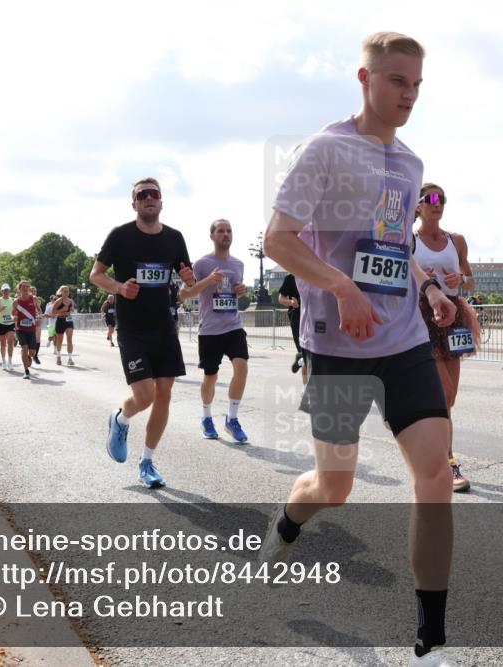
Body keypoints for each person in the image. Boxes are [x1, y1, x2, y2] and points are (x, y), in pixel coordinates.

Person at [261, 32, 456, 666]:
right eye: (398, 81)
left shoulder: (411, 165)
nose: (409, 96)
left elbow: (394, 247)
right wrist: (340, 285)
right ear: (365, 78)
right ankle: (290, 520)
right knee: (335, 486)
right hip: (336, 345)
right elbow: (279, 241)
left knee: (434, 476)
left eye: (418, 85)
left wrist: (430, 288)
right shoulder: (325, 149)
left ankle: (431, 636)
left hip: (401, 338)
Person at [90, 176, 196, 489]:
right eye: (142, 195)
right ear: (134, 203)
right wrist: (120, 287)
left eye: (154, 194)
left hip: (164, 327)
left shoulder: (174, 238)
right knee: (145, 396)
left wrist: (190, 278)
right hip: (133, 328)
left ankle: (147, 461)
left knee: (164, 394)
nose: (149, 198)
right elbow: (96, 275)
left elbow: (187, 282)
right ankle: (120, 419)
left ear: (161, 201)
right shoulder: (120, 236)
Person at [414, 182, 480, 493]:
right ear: (418, 206)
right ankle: (448, 462)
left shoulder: (456, 240)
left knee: (449, 398)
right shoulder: (410, 241)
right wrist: (421, 281)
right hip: (423, 317)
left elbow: (470, 282)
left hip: (455, 318)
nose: (437, 204)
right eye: (430, 198)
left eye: (442, 199)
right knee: (442, 392)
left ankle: (424, 438)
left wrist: (460, 279)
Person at [180, 219, 250, 443]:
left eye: (229, 230)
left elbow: (234, 292)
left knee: (242, 367)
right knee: (211, 376)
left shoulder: (238, 264)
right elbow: (184, 293)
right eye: (221, 231)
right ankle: (207, 417)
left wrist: (241, 291)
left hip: (233, 325)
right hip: (210, 329)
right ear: (212, 236)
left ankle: (232, 418)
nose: (226, 234)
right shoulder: (201, 264)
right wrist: (208, 280)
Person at [278, 273, 307, 382]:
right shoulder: (290, 278)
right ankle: (307, 391)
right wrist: (291, 302)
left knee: (309, 356)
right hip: (297, 317)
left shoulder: (314, 274)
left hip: (314, 317)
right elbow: (281, 298)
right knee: (306, 355)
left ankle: (301, 358)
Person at [14, 281, 39, 379]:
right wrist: (14, 317)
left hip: (31, 329)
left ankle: (28, 357)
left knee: (32, 352)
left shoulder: (34, 299)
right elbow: (13, 313)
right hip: (20, 329)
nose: (26, 288)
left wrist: (38, 315)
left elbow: (38, 310)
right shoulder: (16, 302)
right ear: (20, 288)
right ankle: (26, 371)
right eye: (24, 286)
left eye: (28, 286)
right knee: (24, 348)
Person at [0, 284, 17, 371]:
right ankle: (3, 361)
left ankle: (10, 361)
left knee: (10, 342)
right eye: (4, 290)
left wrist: (15, 317)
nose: (6, 292)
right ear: (2, 291)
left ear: (9, 291)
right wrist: (0, 310)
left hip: (10, 324)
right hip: (1, 324)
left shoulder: (13, 300)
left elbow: (15, 312)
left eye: (7, 290)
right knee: (2, 344)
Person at [52, 286, 76, 366]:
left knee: (69, 339)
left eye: (67, 291)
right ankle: (58, 356)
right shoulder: (58, 301)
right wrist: (62, 310)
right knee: (60, 341)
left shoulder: (71, 301)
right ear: (61, 292)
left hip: (69, 321)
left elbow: (72, 309)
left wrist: (71, 309)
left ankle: (70, 358)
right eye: (65, 291)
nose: (66, 293)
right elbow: (53, 312)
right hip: (60, 321)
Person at [29, 286, 43, 364]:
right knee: (29, 339)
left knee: (37, 339)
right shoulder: (25, 298)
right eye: (32, 291)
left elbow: (39, 309)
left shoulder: (36, 300)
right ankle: (28, 356)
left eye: (35, 291)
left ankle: (35, 356)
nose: (34, 292)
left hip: (36, 320)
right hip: (27, 321)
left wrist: (40, 317)